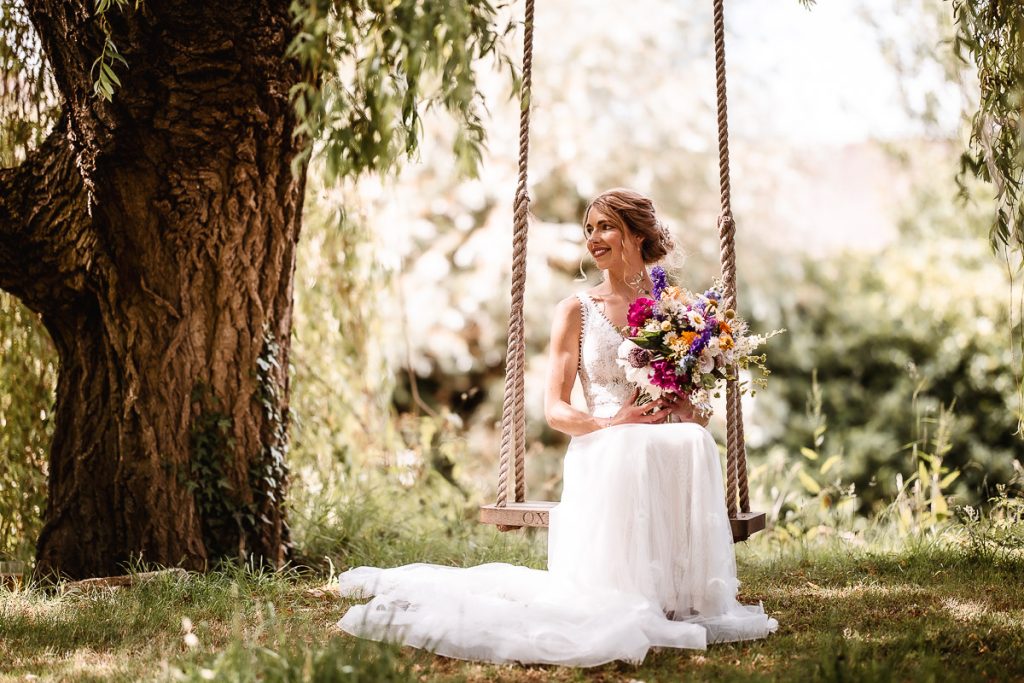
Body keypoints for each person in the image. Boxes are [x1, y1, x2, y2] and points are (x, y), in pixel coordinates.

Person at [335, 188, 779, 666]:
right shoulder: (577, 309)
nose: (593, 238)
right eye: (589, 229)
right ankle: (631, 592)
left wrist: (686, 409)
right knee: (633, 442)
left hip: (658, 432)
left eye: (605, 226)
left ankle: (683, 593)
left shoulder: (675, 309)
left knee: (693, 440)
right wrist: (613, 420)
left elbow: (694, 405)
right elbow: (555, 410)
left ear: (635, 233)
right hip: (603, 437)